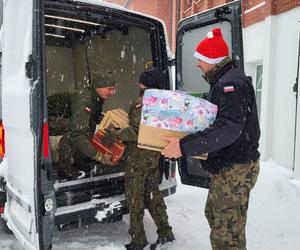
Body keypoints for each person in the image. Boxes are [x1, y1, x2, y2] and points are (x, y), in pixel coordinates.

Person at [161, 28, 260, 250]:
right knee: (217, 218)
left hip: (236, 169)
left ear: (213, 60)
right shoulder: (225, 80)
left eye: (200, 60)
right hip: (229, 166)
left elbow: (228, 129)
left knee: (227, 235)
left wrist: (184, 146)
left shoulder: (230, 85)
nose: (198, 64)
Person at [102, 67, 175, 250]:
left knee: (135, 198)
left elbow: (137, 132)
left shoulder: (141, 103)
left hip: (137, 158)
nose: (137, 84)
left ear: (145, 84)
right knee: (153, 195)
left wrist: (115, 134)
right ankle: (165, 232)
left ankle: (138, 239)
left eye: (140, 81)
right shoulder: (163, 101)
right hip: (153, 155)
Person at [48, 71, 117, 179]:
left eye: (114, 89)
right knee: (74, 131)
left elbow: (94, 115)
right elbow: (77, 134)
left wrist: (108, 123)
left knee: (88, 125)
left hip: (65, 115)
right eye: (110, 89)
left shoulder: (97, 97)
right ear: (99, 86)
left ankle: (79, 160)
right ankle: (64, 169)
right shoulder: (83, 99)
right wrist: (98, 155)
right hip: (48, 116)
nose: (113, 92)